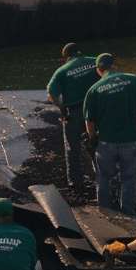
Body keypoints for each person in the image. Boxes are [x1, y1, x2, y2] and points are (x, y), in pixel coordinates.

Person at [83, 52, 136, 214]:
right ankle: (127, 212)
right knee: (128, 178)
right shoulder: (134, 79)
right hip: (130, 139)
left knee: (104, 178)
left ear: (98, 70)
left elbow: (89, 121)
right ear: (114, 65)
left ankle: (105, 212)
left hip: (106, 141)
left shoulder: (94, 90)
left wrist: (93, 138)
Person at [46, 42, 100, 188]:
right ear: (80, 52)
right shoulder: (95, 61)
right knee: (97, 143)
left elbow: (51, 92)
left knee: (73, 147)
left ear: (66, 57)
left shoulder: (62, 71)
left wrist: (62, 108)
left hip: (74, 112)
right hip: (96, 111)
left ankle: (75, 182)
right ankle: (103, 177)